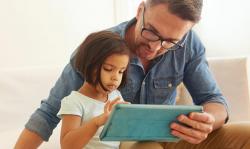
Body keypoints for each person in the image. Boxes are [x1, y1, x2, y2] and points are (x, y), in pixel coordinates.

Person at [15, 0, 250, 149]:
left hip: (176, 135)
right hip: (127, 143)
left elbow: (215, 101)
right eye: (152, 33)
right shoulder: (99, 50)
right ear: (140, 10)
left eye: (170, 42)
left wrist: (207, 122)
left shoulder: (189, 45)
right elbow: (48, 114)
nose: (156, 47)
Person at [57, 31, 130, 149]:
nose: (116, 77)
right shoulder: (75, 102)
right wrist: (97, 122)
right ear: (89, 65)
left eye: (121, 71)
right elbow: (67, 146)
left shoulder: (116, 96)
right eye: (108, 69)